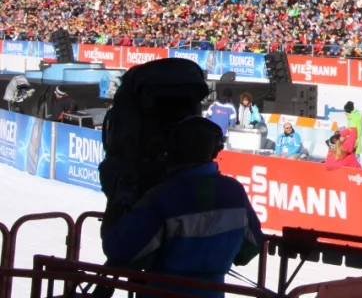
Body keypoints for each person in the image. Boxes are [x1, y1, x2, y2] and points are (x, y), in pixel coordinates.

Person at [101, 116, 264, 297]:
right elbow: (250, 249)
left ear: (173, 150)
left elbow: (122, 252)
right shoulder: (235, 192)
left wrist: (114, 213)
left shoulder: (162, 196)